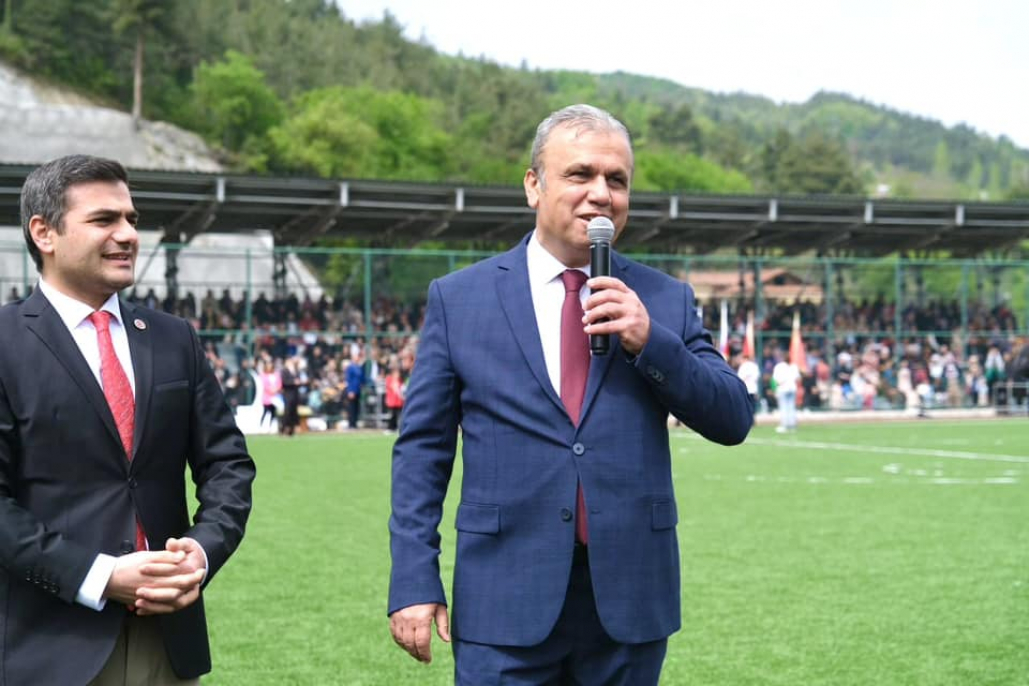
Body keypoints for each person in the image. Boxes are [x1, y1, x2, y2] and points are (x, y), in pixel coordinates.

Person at [387, 104, 753, 684]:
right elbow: (422, 452)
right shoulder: (459, 300)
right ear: (533, 186)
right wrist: (413, 576)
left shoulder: (665, 300)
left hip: (629, 604)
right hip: (502, 598)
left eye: (617, 180)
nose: (601, 194)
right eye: (580, 174)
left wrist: (651, 341)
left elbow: (733, 418)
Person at [1, 155, 256, 685]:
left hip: (168, 638)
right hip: (45, 645)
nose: (128, 235)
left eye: (131, 219)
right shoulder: (5, 342)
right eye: (104, 219)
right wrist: (99, 576)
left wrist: (201, 553)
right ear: (44, 233)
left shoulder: (174, 338)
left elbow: (228, 465)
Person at [772, 353, 801, 432]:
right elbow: (798, 378)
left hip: (783, 388)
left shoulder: (779, 366)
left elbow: (776, 379)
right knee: (791, 407)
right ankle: (792, 425)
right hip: (792, 388)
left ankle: (784, 425)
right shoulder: (794, 366)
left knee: (784, 407)